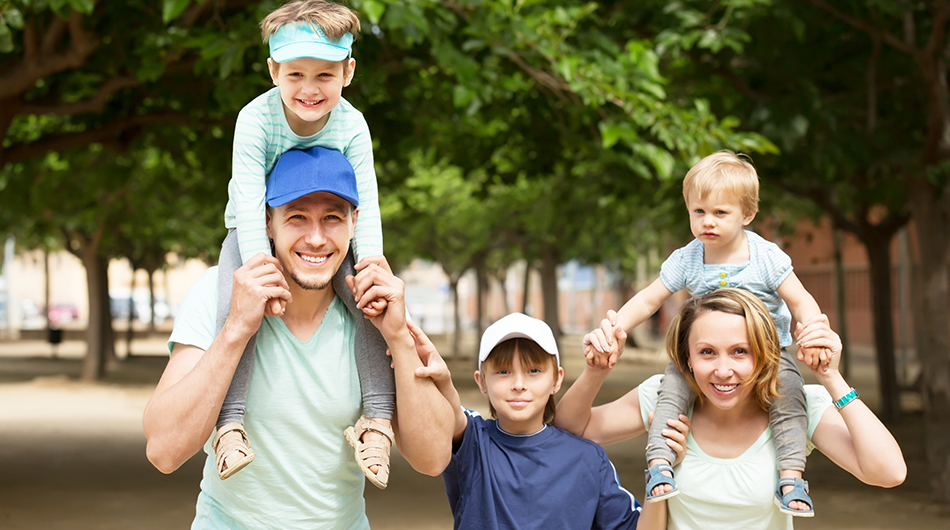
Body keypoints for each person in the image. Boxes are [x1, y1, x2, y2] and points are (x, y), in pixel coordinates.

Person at [142, 146, 454, 529]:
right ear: (267, 224)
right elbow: (163, 450)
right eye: (297, 218)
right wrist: (236, 329)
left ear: (355, 223)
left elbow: (433, 458)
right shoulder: (217, 294)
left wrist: (399, 339)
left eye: (332, 218)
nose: (317, 238)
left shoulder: (374, 307)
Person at [214, 0, 396, 488]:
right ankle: (228, 424)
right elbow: (251, 200)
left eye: (325, 75)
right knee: (234, 309)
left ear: (348, 71)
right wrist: (259, 272)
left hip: (328, 231)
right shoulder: (254, 121)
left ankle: (378, 421)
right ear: (274, 71)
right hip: (252, 229)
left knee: (371, 304)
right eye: (295, 74)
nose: (310, 89)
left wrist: (372, 263)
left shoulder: (353, 125)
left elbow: (369, 203)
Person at [584, 150, 825, 515]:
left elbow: (800, 299)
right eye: (699, 212)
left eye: (720, 213)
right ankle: (660, 466)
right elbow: (649, 300)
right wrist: (614, 327)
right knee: (671, 392)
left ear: (747, 214)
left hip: (768, 354)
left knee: (789, 399)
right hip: (703, 352)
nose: (707, 222)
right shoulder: (687, 258)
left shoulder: (766, 256)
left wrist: (812, 331)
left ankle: (791, 477)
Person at [558, 288, 906, 530]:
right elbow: (571, 428)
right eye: (707, 352)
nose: (723, 370)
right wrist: (596, 370)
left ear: (765, 353)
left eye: (740, 351)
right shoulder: (663, 400)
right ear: (687, 358)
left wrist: (832, 379)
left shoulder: (797, 408)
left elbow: (888, 472)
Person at [406, 312, 682, 530]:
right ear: (482, 382)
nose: (518, 384)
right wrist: (443, 381)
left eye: (534, 370)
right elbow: (450, 411)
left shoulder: (588, 459)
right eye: (502, 371)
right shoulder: (472, 441)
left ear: (557, 379)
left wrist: (659, 468)